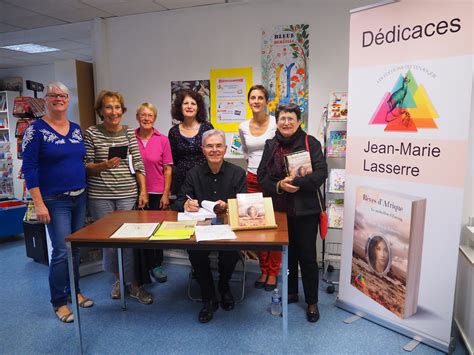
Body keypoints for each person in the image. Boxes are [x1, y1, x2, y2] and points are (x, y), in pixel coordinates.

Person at [22, 81, 93, 323]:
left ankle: (75, 291)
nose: (59, 99)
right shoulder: (35, 130)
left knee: (75, 249)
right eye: (54, 95)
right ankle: (59, 301)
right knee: (62, 251)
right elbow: (29, 169)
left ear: (68, 100)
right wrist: (39, 204)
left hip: (79, 196)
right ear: (45, 100)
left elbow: (79, 161)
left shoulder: (75, 129)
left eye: (63, 95)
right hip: (54, 200)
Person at [258, 103, 327, 323]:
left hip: (306, 211)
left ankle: (312, 302)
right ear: (276, 121)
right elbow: (262, 177)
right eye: (282, 119)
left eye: (290, 118)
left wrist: (295, 182)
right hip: (280, 211)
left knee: (307, 258)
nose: (286, 123)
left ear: (299, 122)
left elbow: (321, 174)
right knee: (288, 257)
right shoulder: (270, 145)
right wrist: (280, 186)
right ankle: (291, 292)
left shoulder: (311, 143)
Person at [84, 90, 153, 305]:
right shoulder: (92, 133)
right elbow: (85, 166)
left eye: (117, 107)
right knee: (110, 242)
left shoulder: (128, 133)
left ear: (122, 111)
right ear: (101, 111)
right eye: (108, 107)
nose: (113, 112)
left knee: (128, 240)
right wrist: (103, 165)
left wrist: (143, 191)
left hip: (126, 194)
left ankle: (133, 284)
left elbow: (138, 164)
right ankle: (118, 279)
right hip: (100, 195)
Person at [173, 129, 246, 323]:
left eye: (218, 146)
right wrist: (185, 204)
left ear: (225, 149)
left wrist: (228, 207)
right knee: (195, 251)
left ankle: (224, 285)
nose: (214, 150)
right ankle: (208, 295)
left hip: (228, 227)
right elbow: (179, 200)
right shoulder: (193, 173)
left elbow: (244, 206)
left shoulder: (238, 173)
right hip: (201, 228)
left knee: (232, 251)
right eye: (210, 146)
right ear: (203, 149)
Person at [238, 85, 280, 292]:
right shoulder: (243, 126)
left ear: (266, 101)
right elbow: (246, 151)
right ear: (249, 101)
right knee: (258, 227)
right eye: (252, 98)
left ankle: (273, 272)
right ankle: (264, 269)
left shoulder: (275, 122)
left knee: (273, 227)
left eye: (260, 97)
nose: (256, 101)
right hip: (252, 179)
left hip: (272, 180)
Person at [135, 102, 173, 282]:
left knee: (157, 231)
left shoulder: (162, 139)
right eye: (143, 115)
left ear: (155, 118)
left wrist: (166, 194)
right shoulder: (130, 138)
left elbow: (168, 169)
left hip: (158, 191)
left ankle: (157, 265)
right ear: (137, 117)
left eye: (150, 115)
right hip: (134, 192)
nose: (146, 118)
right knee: (140, 231)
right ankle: (142, 267)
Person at [168, 89, 213, 195]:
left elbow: (212, 153)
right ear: (180, 107)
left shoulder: (207, 128)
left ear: (198, 108)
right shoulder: (173, 132)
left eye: (193, 103)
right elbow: (173, 159)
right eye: (186, 103)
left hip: (205, 179)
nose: (189, 106)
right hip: (182, 182)